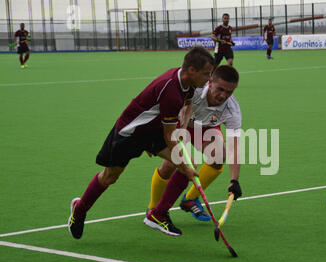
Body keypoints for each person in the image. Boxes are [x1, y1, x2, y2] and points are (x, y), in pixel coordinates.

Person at [68, 46, 215, 240]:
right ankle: (79, 210)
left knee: (185, 165)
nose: (209, 79)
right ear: (191, 71)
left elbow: (186, 105)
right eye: (206, 74)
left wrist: (181, 133)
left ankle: (158, 214)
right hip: (130, 133)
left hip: (153, 130)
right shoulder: (170, 89)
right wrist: (183, 160)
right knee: (110, 176)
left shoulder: (189, 84)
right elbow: (169, 135)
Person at [145, 65, 242, 236]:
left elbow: (235, 144)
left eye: (229, 92)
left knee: (219, 156)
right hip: (178, 124)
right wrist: (152, 136)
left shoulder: (232, 109)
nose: (223, 96)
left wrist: (234, 180)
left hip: (206, 128)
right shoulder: (194, 89)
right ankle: (153, 208)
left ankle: (190, 199)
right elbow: (163, 105)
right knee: (171, 165)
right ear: (210, 82)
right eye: (220, 89)